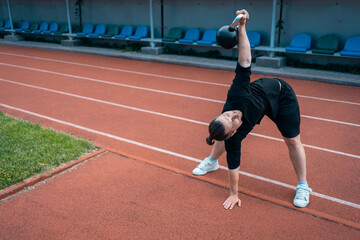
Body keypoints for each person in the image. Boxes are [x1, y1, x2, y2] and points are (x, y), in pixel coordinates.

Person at [192, 9, 312, 210]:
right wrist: (234, 194)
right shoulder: (233, 138)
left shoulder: (236, 96)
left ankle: (303, 185)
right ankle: (212, 161)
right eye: (231, 119)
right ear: (234, 131)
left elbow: (245, 60)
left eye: (227, 113)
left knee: (292, 140)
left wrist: (242, 27)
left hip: (281, 96)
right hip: (253, 112)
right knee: (225, 140)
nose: (232, 114)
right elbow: (234, 166)